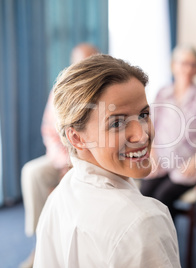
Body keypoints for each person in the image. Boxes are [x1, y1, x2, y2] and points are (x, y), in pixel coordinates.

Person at [33, 54, 180, 267]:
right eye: (117, 123)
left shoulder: (59, 197)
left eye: (143, 114)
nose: (142, 134)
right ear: (77, 137)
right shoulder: (143, 222)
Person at [19, 43, 98, 268]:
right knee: (32, 172)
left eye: (90, 61)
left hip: (92, 158)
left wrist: (77, 164)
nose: (84, 67)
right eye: (80, 62)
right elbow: (49, 131)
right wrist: (65, 162)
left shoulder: (105, 90)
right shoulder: (60, 90)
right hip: (63, 156)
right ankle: (40, 242)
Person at [140, 45, 196, 219]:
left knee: (162, 197)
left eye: (192, 64)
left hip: (190, 164)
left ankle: (166, 243)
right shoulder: (163, 92)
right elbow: (150, 126)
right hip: (160, 160)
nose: (188, 68)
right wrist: (152, 155)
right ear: (173, 65)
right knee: (143, 194)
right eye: (183, 63)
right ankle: (148, 241)